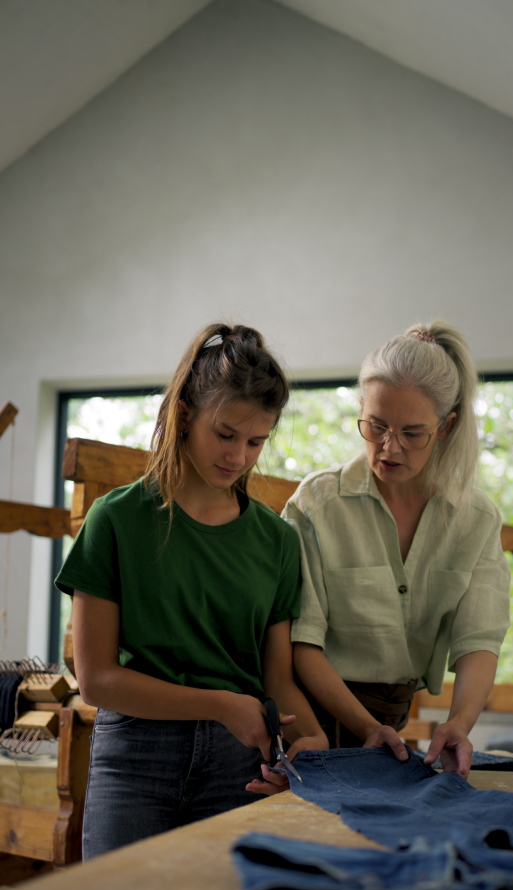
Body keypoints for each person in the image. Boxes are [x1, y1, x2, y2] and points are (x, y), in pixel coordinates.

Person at [55, 324, 327, 859]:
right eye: (225, 434)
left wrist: (312, 741)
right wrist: (221, 704)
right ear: (184, 414)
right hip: (135, 753)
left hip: (241, 764)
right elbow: (97, 680)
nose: (239, 457)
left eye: (256, 442)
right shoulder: (116, 520)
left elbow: (277, 680)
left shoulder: (278, 542)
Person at [281, 320, 510, 780]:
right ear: (361, 408)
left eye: (412, 433)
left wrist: (459, 724)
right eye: (376, 426)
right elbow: (301, 643)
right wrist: (368, 726)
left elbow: (478, 641)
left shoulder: (476, 519)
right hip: (308, 720)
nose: (389, 448)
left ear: (446, 428)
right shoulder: (317, 504)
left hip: (387, 725)